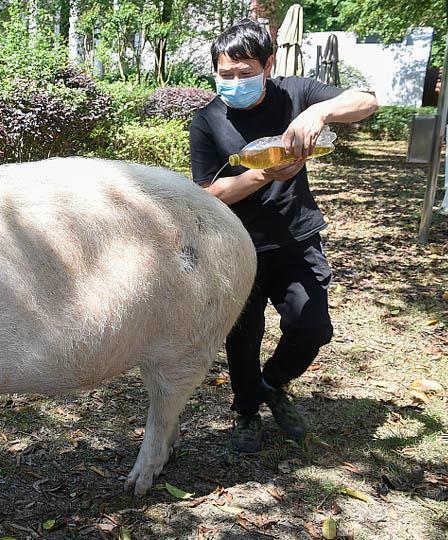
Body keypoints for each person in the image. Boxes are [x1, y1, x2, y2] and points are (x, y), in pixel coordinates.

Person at [189, 19, 378, 453]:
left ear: (268, 64)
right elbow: (208, 194)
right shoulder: (208, 120)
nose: (234, 81)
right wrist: (261, 176)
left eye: (245, 71)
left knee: (311, 327)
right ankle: (247, 411)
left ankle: (271, 383)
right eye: (225, 74)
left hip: (297, 239)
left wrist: (319, 111)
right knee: (243, 336)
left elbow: (367, 100)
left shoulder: (294, 94)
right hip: (237, 246)